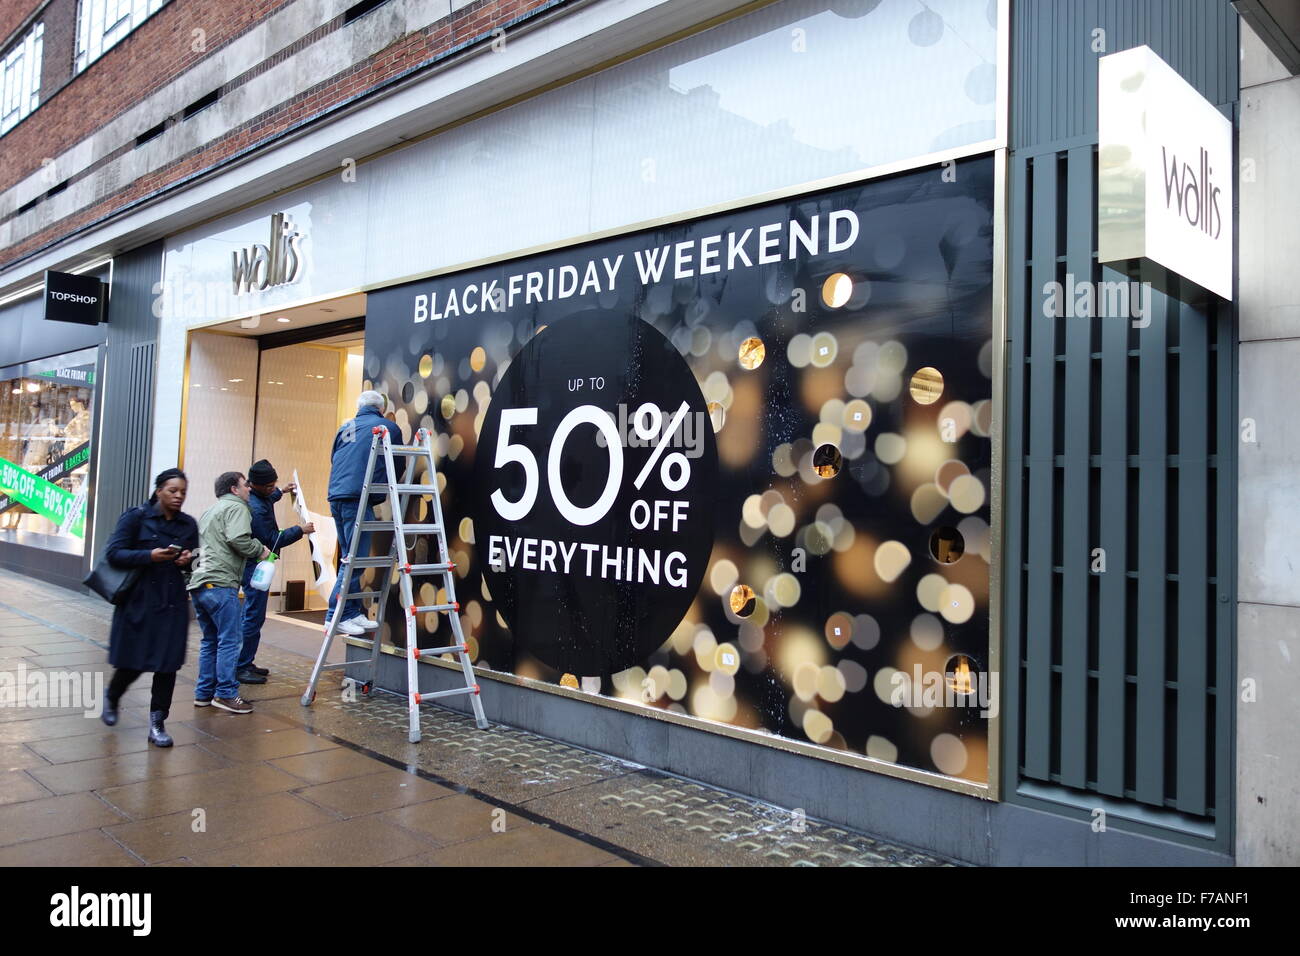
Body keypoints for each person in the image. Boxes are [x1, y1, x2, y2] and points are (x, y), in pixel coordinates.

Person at [101, 468, 199, 747]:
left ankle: (157, 724)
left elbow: (195, 561)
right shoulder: (135, 518)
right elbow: (114, 553)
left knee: (167, 666)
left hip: (172, 605)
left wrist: (187, 560)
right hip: (139, 602)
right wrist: (150, 555)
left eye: (183, 492)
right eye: (173, 491)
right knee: (132, 662)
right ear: (159, 491)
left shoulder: (188, 525)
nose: (179, 496)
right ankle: (112, 696)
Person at [188, 471, 268, 713]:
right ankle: (225, 694)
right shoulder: (238, 508)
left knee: (210, 641)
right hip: (221, 585)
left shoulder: (210, 511)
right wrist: (260, 549)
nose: (249, 490)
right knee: (230, 641)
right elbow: (238, 539)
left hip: (200, 584)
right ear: (234, 489)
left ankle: (203, 694)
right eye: (245, 486)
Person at [328, 390, 402, 635]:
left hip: (338, 494)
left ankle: (351, 612)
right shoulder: (386, 426)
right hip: (358, 497)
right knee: (356, 559)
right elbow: (397, 463)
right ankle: (334, 614)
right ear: (381, 408)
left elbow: (335, 458)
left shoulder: (345, 427)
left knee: (350, 556)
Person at [237, 459, 314, 684]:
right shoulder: (256, 508)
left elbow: (269, 497)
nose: (272, 489)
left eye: (275, 484)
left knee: (252, 615)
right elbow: (272, 539)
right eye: (269, 486)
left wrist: (281, 491)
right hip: (254, 566)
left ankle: (246, 661)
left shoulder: (260, 496)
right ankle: (241, 666)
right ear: (255, 485)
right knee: (253, 616)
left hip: (253, 564)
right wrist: (300, 530)